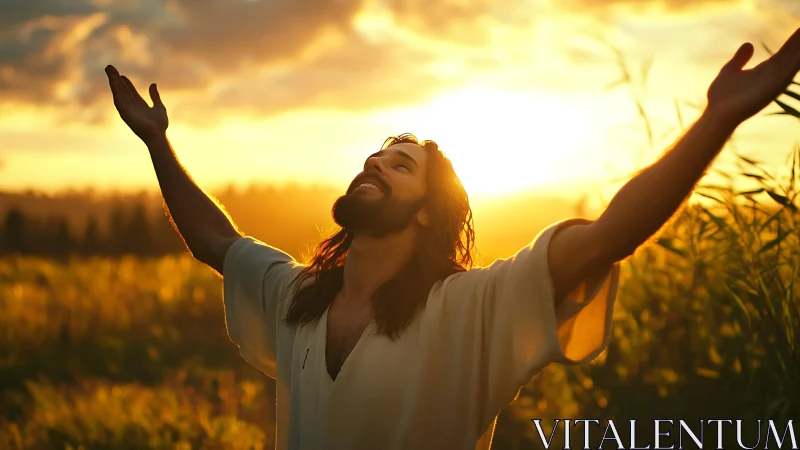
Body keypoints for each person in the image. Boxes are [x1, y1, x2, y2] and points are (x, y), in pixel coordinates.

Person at [105, 27, 800, 450]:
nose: (375, 163)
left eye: (400, 165)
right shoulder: (299, 297)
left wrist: (718, 121)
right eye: (375, 157)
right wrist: (158, 143)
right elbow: (216, 241)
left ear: (430, 214)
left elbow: (605, 237)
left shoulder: (468, 312)